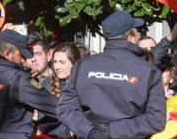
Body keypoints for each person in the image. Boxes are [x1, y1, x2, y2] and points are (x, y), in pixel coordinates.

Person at [57, 10, 166, 139]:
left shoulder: (83, 66)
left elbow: (66, 109)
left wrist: (92, 132)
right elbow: (156, 120)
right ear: (130, 36)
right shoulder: (148, 72)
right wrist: (107, 132)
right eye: (137, 32)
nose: (139, 36)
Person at [0, 29, 58, 138]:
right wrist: (42, 127)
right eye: (21, 55)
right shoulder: (19, 78)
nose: (23, 60)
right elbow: (59, 108)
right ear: (7, 53)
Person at [37, 43, 82, 138]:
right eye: (55, 62)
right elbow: (42, 122)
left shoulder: (85, 85)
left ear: (75, 63)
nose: (57, 67)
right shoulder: (46, 85)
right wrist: (68, 132)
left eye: (62, 62)